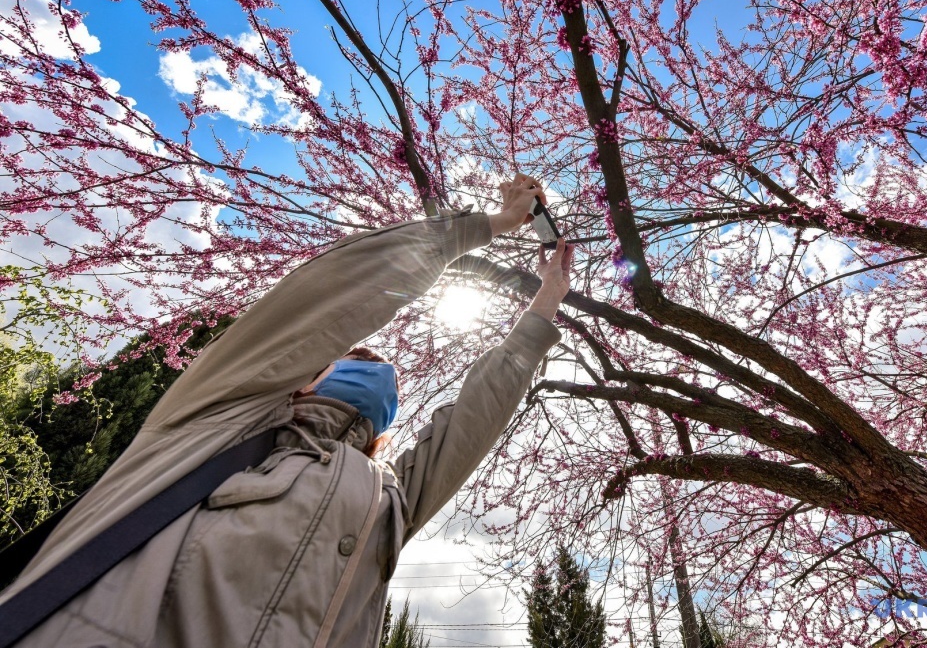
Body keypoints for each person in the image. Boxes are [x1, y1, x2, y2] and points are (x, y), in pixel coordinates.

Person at [1, 175, 574, 648]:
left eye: (381, 373)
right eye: (350, 357)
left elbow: (476, 415)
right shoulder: (218, 415)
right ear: (303, 374)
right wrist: (489, 226)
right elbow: (335, 292)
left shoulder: (391, 499)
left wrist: (547, 299)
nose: (373, 369)